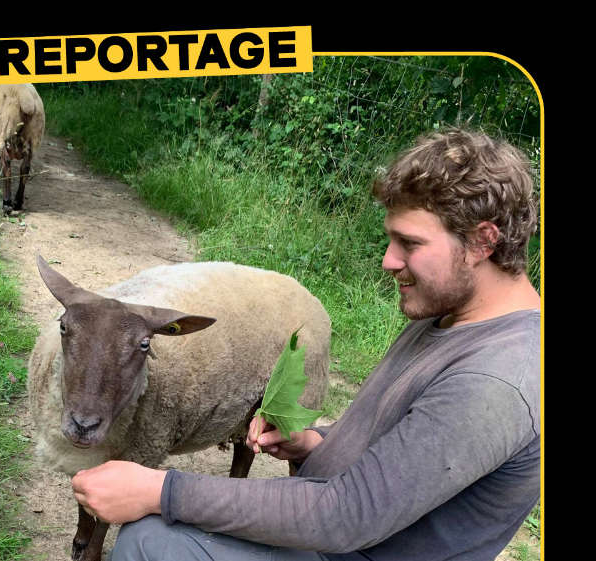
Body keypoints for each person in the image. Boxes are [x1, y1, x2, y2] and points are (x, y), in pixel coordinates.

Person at [71, 128, 541, 560]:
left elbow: (348, 514)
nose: (388, 261)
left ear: (482, 241)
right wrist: (314, 444)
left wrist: (161, 490)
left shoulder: (497, 379)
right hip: (341, 541)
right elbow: (400, 453)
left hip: (348, 546)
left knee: (148, 542)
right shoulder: (451, 317)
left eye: (410, 244)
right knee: (156, 532)